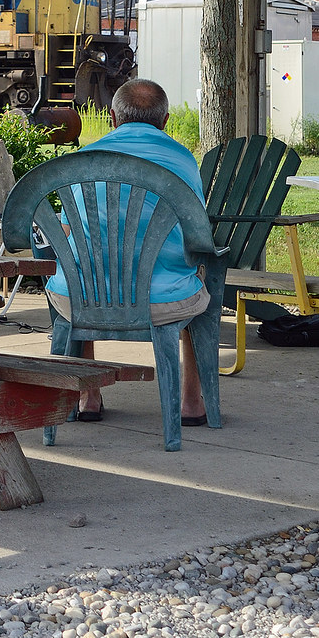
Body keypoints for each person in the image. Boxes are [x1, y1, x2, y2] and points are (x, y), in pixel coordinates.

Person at [45, 77, 210, 425]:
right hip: (163, 300)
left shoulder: (82, 159)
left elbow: (66, 230)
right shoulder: (182, 160)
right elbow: (197, 234)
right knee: (198, 272)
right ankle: (192, 403)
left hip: (80, 299)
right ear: (165, 122)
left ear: (112, 117)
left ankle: (88, 396)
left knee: (81, 266)